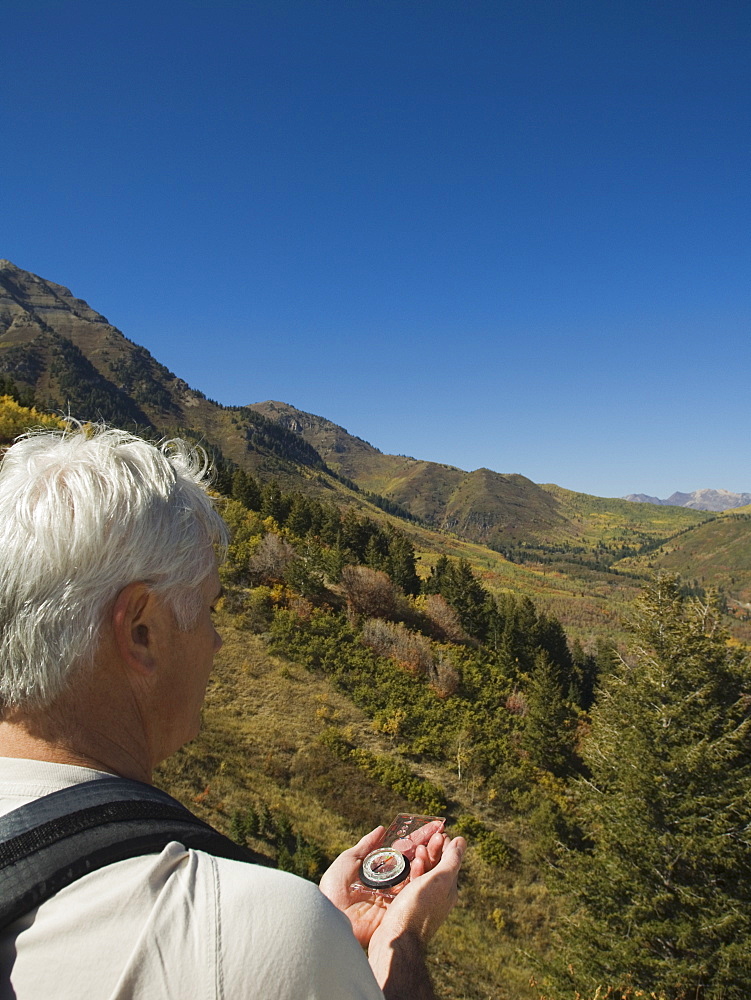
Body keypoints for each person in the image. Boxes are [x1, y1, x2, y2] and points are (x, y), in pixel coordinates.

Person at [0, 424, 465, 1000]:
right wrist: (401, 941)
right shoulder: (238, 931)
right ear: (142, 631)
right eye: (210, 610)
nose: (218, 642)